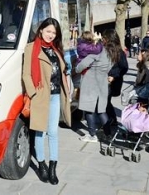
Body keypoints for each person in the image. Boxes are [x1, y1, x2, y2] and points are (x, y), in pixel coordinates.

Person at [22, 18, 71, 185]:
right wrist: (33, 94)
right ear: (41, 30)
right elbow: (26, 74)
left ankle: (52, 168)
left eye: (54, 33)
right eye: (48, 31)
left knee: (53, 132)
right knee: (39, 131)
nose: (51, 35)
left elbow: (62, 70)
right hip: (40, 95)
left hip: (56, 94)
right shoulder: (31, 48)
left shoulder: (55, 49)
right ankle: (41, 165)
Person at [75, 31, 113, 143]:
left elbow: (80, 67)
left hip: (90, 83)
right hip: (102, 83)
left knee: (89, 110)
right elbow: (110, 66)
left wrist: (76, 68)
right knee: (101, 110)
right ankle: (108, 134)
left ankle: (92, 135)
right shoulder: (108, 52)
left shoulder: (93, 53)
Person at [105, 29, 128, 125]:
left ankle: (111, 119)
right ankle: (110, 119)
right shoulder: (104, 49)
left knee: (106, 100)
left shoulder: (119, 52)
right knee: (105, 101)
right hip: (105, 79)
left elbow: (124, 67)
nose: (103, 40)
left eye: (104, 38)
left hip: (113, 81)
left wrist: (114, 76)